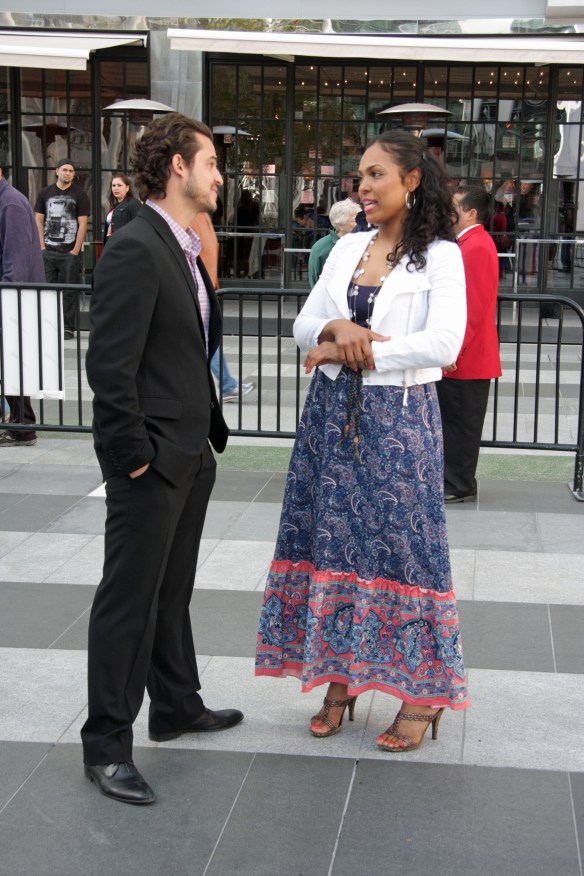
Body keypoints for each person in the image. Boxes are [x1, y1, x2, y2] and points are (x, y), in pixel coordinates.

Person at [256, 131, 469, 753]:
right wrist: (336, 326)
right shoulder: (348, 246)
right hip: (330, 417)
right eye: (361, 175)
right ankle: (339, 678)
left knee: (406, 549)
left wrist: (358, 350)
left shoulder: (441, 256)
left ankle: (422, 693)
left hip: (399, 420)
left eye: (377, 174)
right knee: (333, 542)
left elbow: (445, 344)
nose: (364, 185)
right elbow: (304, 324)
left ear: (412, 181)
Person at [81, 113, 243, 806]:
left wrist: (195, 444)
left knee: (171, 594)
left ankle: (175, 705)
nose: (220, 177)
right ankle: (106, 746)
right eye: (211, 163)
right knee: (130, 602)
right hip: (150, 460)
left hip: (188, 452)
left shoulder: (180, 242)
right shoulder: (135, 244)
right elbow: (109, 366)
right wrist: (133, 457)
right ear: (178, 166)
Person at [436, 185, 502, 504]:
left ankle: (459, 484)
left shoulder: (475, 245)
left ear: (471, 213)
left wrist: (454, 350)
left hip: (467, 357)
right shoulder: (470, 243)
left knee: (460, 424)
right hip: (467, 354)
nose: (449, 212)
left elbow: (472, 307)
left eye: (454, 207)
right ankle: (458, 482)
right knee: (457, 422)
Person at [0, 165, 44, 447]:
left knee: (12, 362)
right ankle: (21, 425)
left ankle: (22, 426)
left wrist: (6, 296)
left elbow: (15, 261)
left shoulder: (11, 203)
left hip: (13, 298)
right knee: (10, 362)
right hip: (11, 296)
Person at [192, 211, 256, 403]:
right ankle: (227, 386)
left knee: (207, 340)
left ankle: (227, 385)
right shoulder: (193, 216)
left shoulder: (200, 216)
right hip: (198, 288)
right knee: (207, 340)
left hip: (204, 288)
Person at [34, 158, 90, 339]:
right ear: (56, 171)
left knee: (69, 292)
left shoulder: (80, 195)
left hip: (69, 252)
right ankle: (47, 324)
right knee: (46, 291)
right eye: (65, 170)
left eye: (71, 171)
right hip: (48, 250)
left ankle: (67, 327)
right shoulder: (45, 193)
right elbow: (38, 220)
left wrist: (75, 250)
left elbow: (83, 224)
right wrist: (41, 246)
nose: (68, 173)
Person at [308, 200, 361, 287]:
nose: (360, 224)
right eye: (354, 221)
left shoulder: (366, 243)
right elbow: (315, 281)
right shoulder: (321, 248)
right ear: (340, 225)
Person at [103, 173, 141, 243]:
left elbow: (138, 228)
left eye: (119, 185)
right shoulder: (114, 207)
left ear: (127, 188)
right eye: (113, 185)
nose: (116, 188)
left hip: (124, 245)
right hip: (111, 245)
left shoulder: (133, 203)